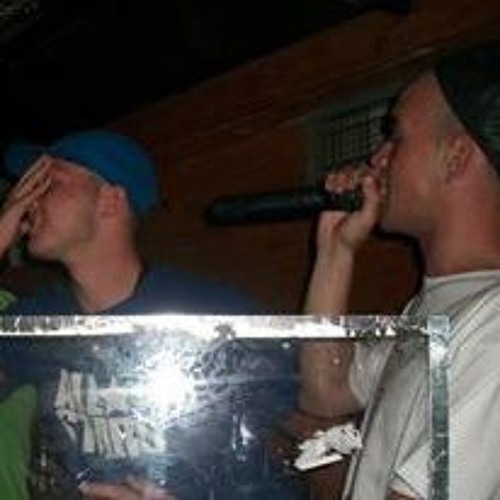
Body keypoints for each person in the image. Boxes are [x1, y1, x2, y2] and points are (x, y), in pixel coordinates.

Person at [0, 129, 299, 499]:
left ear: (110, 201)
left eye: (49, 183)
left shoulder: (209, 316)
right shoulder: (40, 320)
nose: (28, 200)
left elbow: (312, 431)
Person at [299, 40, 500, 500]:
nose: (378, 159)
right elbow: (324, 392)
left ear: (456, 156)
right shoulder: (436, 310)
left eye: (397, 136)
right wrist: (335, 252)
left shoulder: (493, 325)